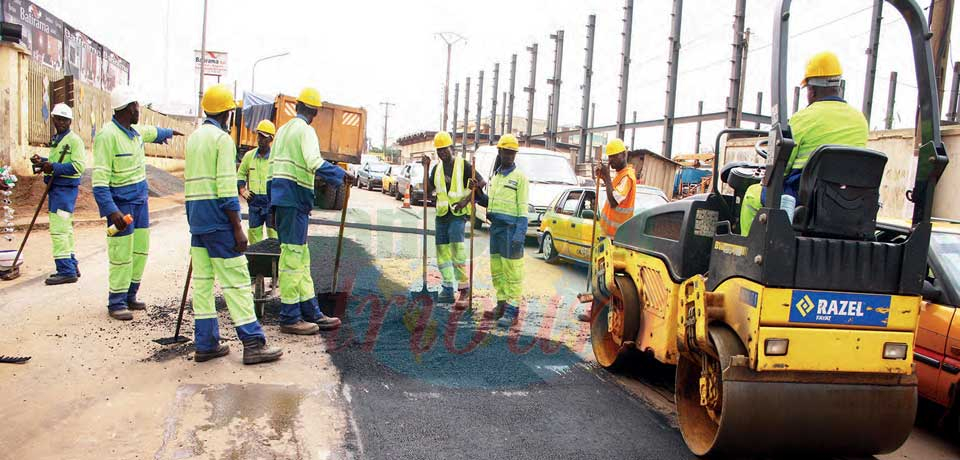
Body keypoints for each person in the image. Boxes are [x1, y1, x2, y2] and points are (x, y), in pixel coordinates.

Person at [184, 85, 282, 364]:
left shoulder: (194, 139)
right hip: (218, 220)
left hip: (198, 221)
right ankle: (253, 343)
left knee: (202, 283)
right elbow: (227, 188)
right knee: (238, 281)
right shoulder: (222, 140)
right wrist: (237, 227)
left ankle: (206, 344)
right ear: (227, 113)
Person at [740, 51, 868, 236]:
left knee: (752, 195)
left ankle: (750, 257)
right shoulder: (860, 120)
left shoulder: (802, 119)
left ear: (812, 90)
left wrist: (766, 176)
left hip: (805, 202)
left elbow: (780, 168)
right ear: (838, 86)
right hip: (846, 205)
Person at [267, 87, 354, 335]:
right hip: (294, 200)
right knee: (293, 260)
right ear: (314, 112)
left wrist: (270, 206)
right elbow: (314, 162)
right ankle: (290, 317)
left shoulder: (282, 131)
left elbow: (271, 170)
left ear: (297, 107)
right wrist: (341, 174)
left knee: (301, 259)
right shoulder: (305, 131)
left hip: (285, 201)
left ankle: (311, 311)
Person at [92, 87, 183, 320]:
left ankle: (131, 294)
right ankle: (116, 302)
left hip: (141, 203)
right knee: (121, 254)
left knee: (140, 250)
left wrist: (168, 132)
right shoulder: (107, 135)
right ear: (126, 108)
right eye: (136, 106)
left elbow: (153, 131)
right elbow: (100, 182)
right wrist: (112, 212)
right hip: (121, 205)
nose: (138, 110)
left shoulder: (134, 132)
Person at [462, 134, 528, 327]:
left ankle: (512, 310)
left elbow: (523, 209)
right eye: (506, 152)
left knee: (512, 273)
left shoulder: (520, 178)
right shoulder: (496, 176)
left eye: (512, 153)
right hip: (496, 229)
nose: (509, 156)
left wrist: (520, 234)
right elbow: (489, 204)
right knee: (497, 271)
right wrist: (478, 192)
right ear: (499, 152)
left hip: (511, 230)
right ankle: (501, 305)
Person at [421, 131, 483, 305]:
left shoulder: (463, 165)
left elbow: (481, 182)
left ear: (451, 148)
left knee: (457, 249)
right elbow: (427, 190)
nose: (442, 153)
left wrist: (465, 200)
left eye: (444, 150)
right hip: (442, 215)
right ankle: (447, 287)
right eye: (439, 150)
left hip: (458, 214)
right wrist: (424, 169)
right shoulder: (437, 168)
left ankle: (464, 289)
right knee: (442, 252)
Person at [31, 103, 85, 285]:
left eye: (64, 120)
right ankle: (71, 265)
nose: (60, 122)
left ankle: (65, 270)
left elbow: (78, 167)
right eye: (57, 119)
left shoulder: (74, 140)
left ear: (69, 121)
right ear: (53, 119)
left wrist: (52, 167)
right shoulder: (58, 139)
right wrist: (43, 162)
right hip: (56, 191)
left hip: (64, 193)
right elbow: (55, 162)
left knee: (59, 230)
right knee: (65, 229)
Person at [238, 120, 277, 245]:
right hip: (254, 201)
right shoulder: (249, 156)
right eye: (259, 136)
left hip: (271, 202)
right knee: (254, 234)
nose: (260, 140)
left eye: (264, 137)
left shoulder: (276, 158)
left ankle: (273, 260)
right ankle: (257, 260)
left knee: (274, 235)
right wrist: (243, 191)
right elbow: (241, 174)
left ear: (271, 139)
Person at [595, 138, 636, 239]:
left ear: (623, 154)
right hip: (608, 235)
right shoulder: (620, 175)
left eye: (613, 156)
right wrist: (604, 178)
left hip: (616, 237)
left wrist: (607, 176)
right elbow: (612, 194)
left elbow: (613, 201)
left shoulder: (627, 177)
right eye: (609, 157)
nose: (610, 160)